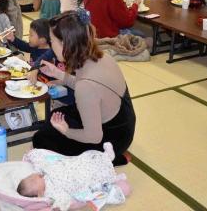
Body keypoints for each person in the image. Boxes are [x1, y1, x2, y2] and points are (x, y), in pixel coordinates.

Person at [30, 10, 136, 165]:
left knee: (41, 140)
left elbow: (94, 137)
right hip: (121, 124)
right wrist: (59, 74)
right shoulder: (101, 57)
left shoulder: (85, 87)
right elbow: (86, 84)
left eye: (52, 41)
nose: (51, 46)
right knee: (55, 117)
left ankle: (107, 159)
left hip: (111, 138)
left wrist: (66, 131)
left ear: (65, 44)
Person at [17, 147, 129, 211]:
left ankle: (107, 156)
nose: (33, 176)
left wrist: (30, 153)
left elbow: (39, 160)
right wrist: (57, 208)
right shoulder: (51, 192)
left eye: (30, 177)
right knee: (93, 175)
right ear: (39, 194)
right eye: (33, 181)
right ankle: (110, 169)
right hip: (79, 178)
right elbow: (63, 200)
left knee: (85, 159)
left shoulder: (41, 171)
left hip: (73, 165)